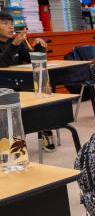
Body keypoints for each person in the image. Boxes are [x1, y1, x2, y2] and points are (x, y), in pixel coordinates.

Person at [0, 10, 54, 151]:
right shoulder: (15, 42)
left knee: (42, 90)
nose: (10, 27)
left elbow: (34, 61)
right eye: (5, 23)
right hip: (3, 87)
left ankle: (45, 130)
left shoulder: (17, 41)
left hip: (18, 83)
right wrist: (14, 45)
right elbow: (2, 63)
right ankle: (11, 140)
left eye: (11, 23)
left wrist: (38, 46)